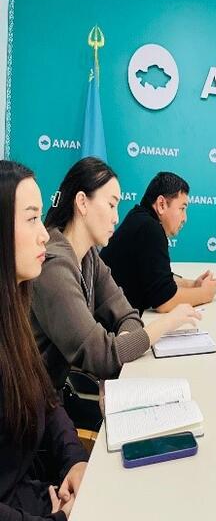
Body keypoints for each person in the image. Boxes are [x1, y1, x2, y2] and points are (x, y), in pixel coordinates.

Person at [30, 158, 200, 394]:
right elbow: (103, 357)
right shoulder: (54, 268)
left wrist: (121, 349)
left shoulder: (89, 256)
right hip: (33, 404)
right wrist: (168, 323)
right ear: (82, 202)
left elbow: (128, 315)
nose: (116, 218)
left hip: (56, 394)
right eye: (111, 205)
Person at [0, 160, 88, 520]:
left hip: (31, 493)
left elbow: (44, 399)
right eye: (32, 218)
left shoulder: (15, 309)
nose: (45, 235)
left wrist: (75, 460)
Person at [100, 172, 216, 315]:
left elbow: (158, 277)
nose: (185, 218)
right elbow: (164, 301)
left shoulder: (139, 217)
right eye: (182, 209)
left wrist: (193, 285)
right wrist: (205, 294)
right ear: (161, 204)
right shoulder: (150, 228)